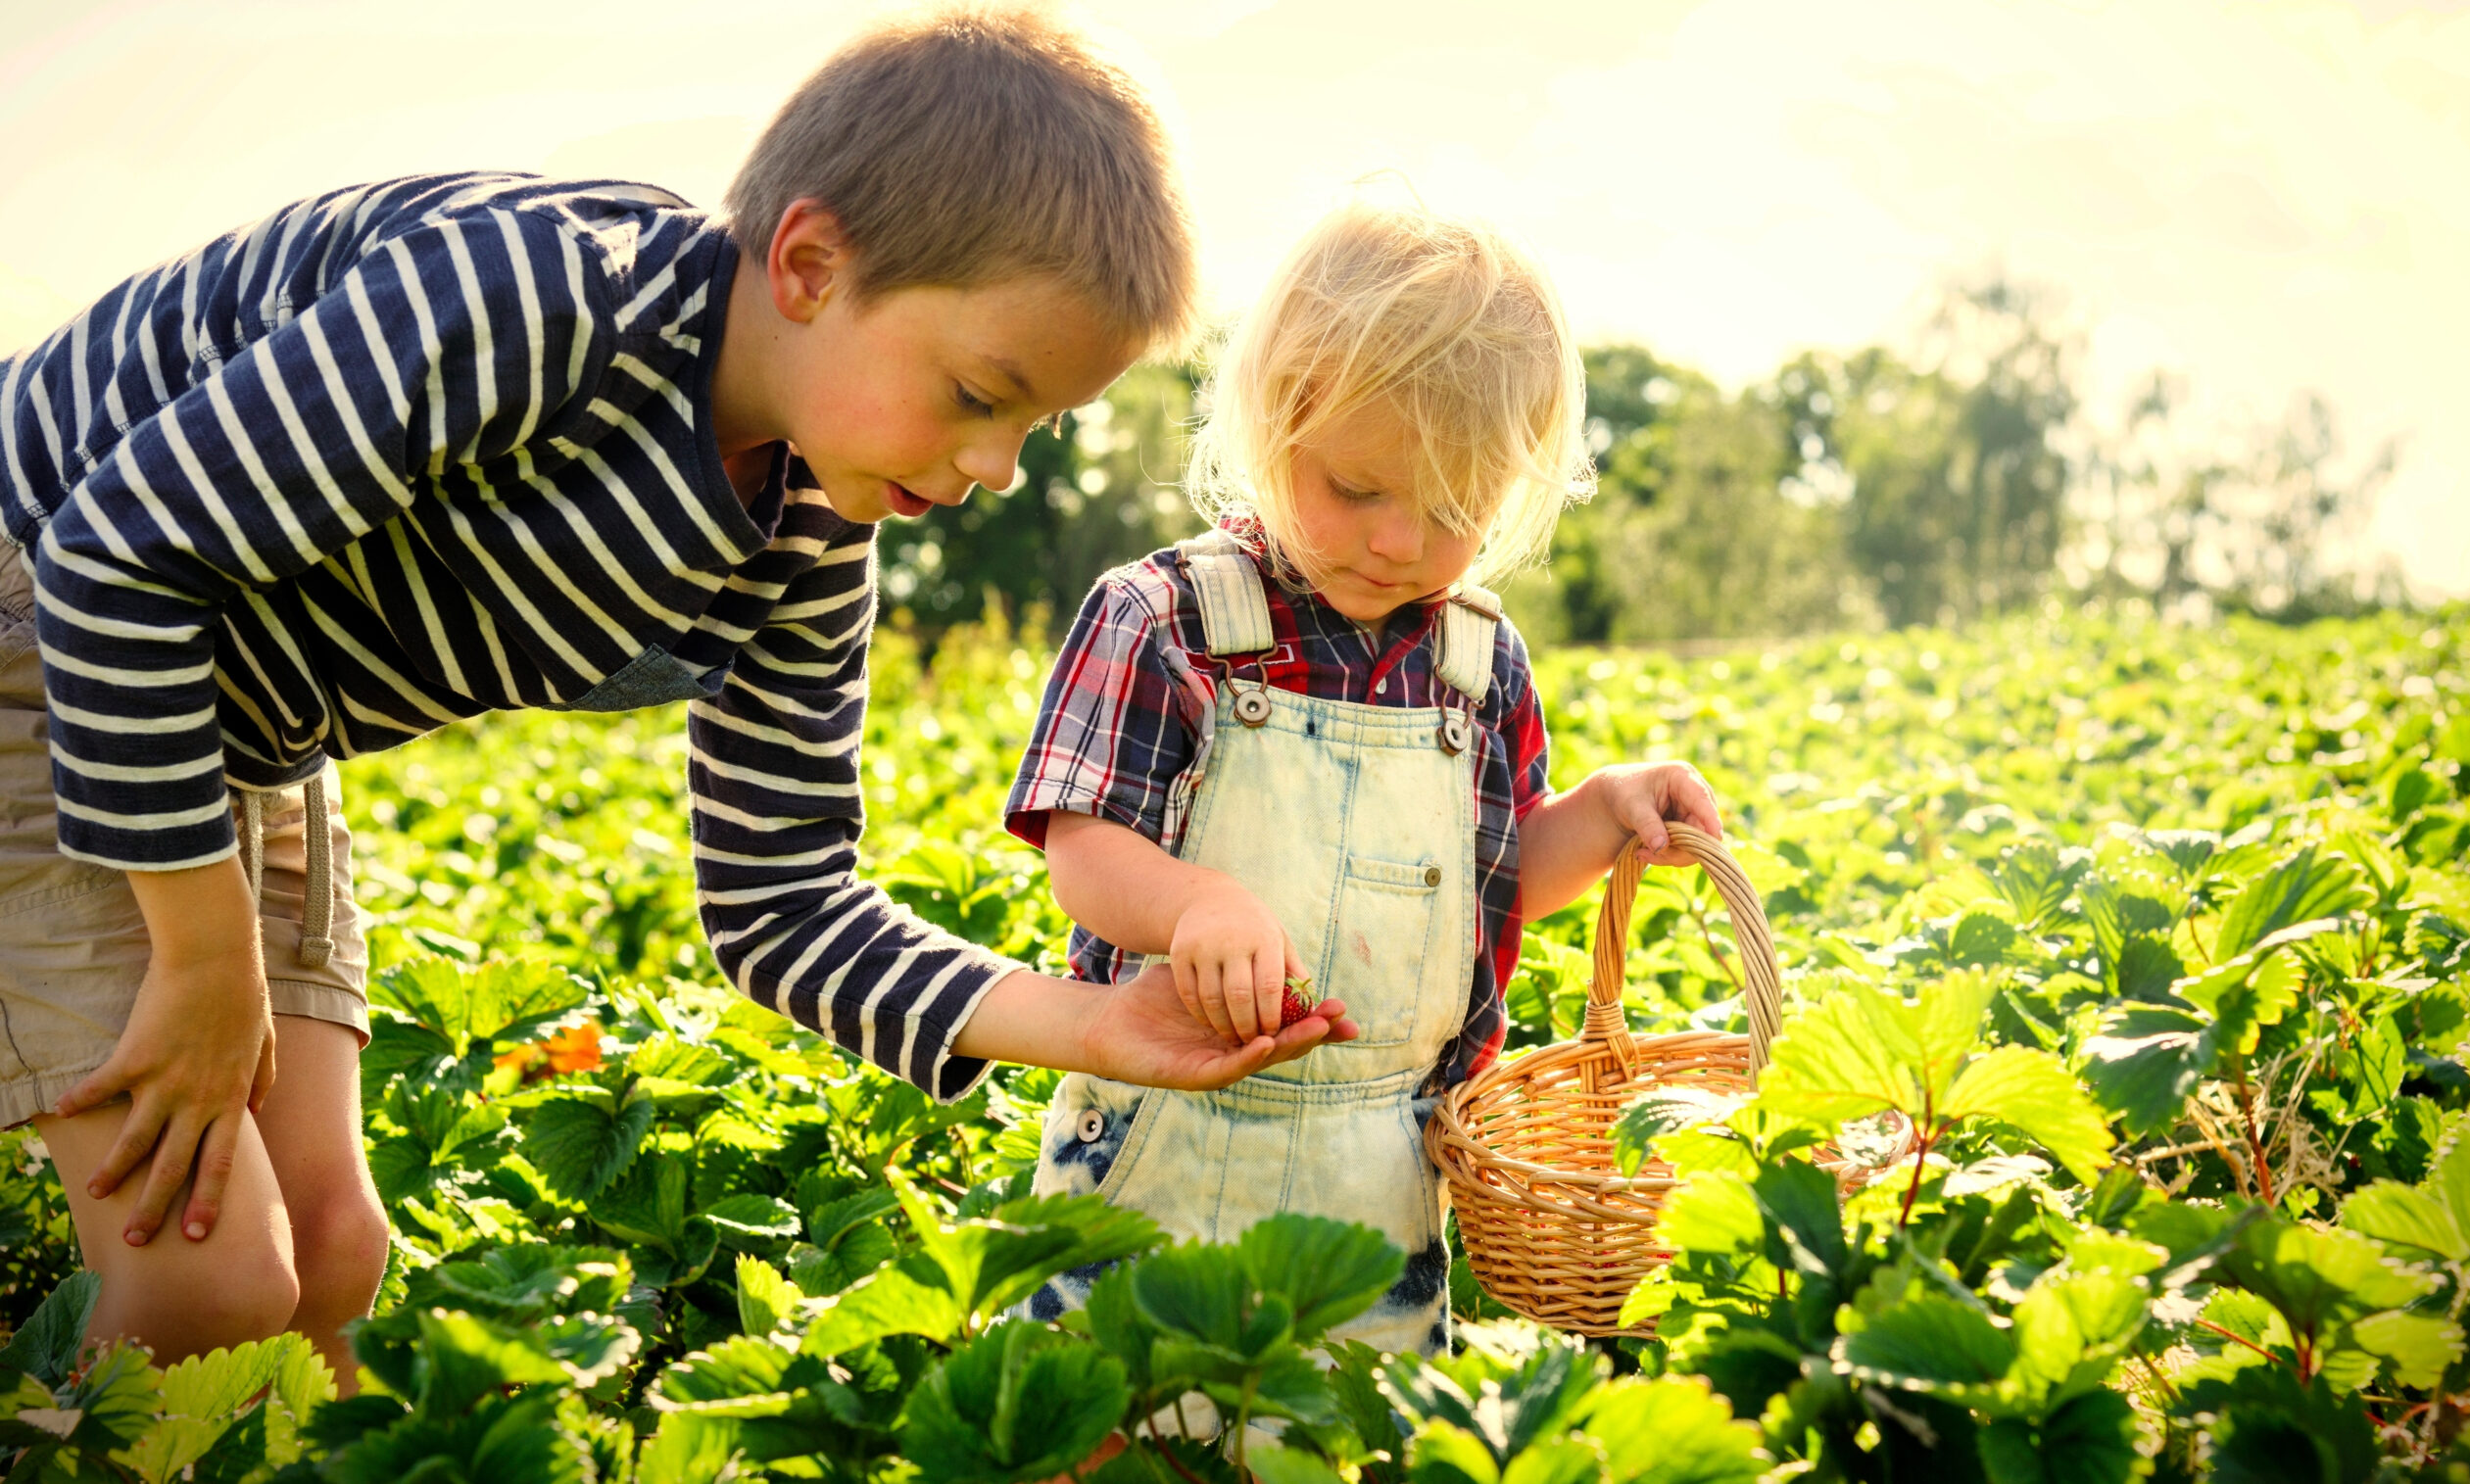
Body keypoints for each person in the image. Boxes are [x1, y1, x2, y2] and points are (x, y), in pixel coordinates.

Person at [0, 5, 1347, 1378]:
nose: (996, 466)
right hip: (46, 629)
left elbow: (782, 897)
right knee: (210, 1281)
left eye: (1032, 426)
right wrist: (206, 955)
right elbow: (119, 554)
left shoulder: (815, 522)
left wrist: (1092, 1024)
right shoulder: (542, 295)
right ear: (812, 264)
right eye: (976, 393)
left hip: (244, 722)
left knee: (334, 1254)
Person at [1004, 200, 1724, 1357]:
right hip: (1162, 1145)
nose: (1395, 542)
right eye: (1356, 488)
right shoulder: (1166, 618)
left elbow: (1483, 892)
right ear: (1269, 422)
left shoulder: (1477, 666)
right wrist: (1196, 904)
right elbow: (1083, 855)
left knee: (1349, 1446)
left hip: (1379, 1175)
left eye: (1450, 512)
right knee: (1120, 1428)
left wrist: (1600, 816)